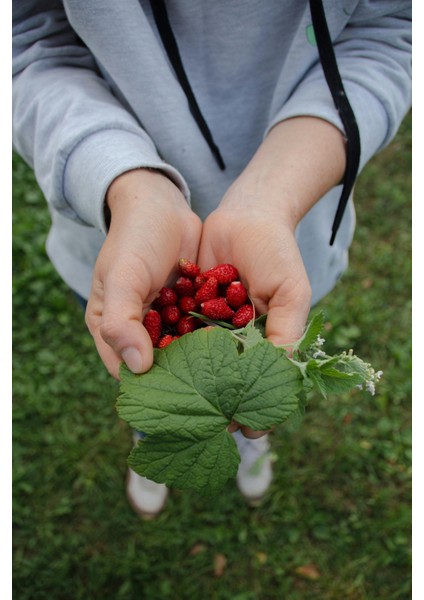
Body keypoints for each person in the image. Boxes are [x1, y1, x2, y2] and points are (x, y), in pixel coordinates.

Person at [12, 0, 412, 517]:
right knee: (146, 363)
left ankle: (245, 437)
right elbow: (25, 39)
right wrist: (124, 180)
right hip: (120, 239)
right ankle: (157, 432)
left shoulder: (228, 293)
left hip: (284, 241)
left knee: (248, 371)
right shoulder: (191, 294)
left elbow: (390, 34)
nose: (205, 300)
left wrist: (274, 199)